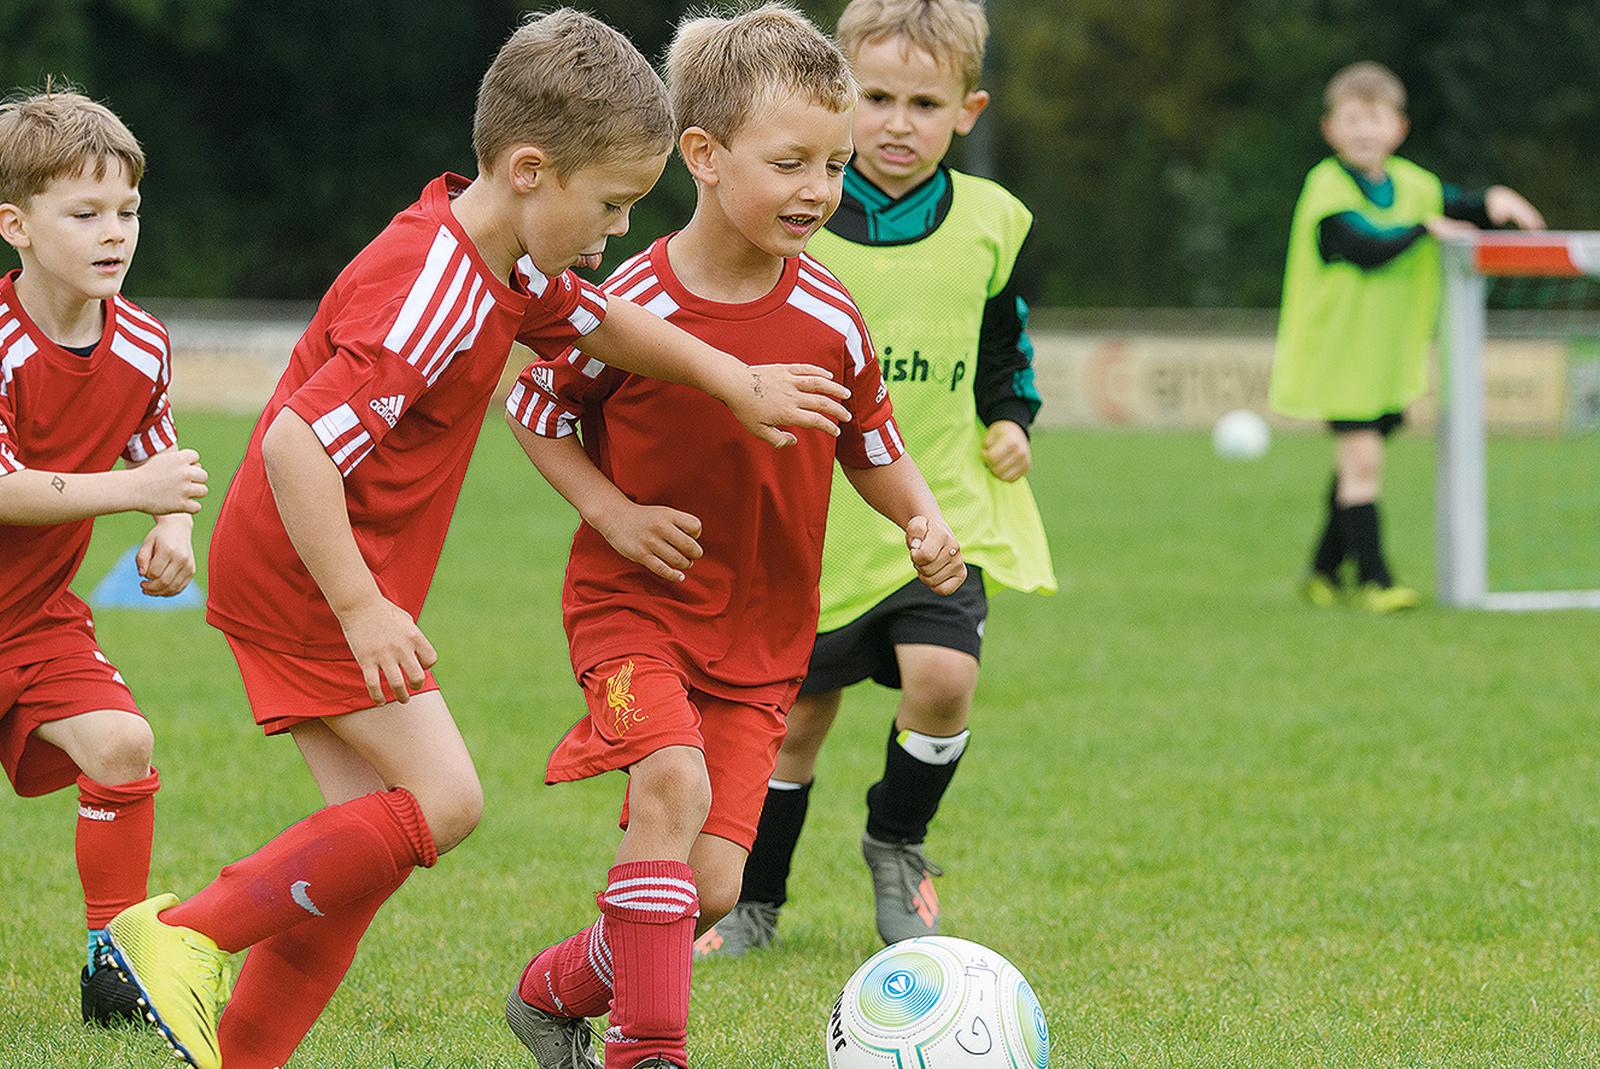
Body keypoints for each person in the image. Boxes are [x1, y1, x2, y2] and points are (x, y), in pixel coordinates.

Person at [99, 11, 851, 1069]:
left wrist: (735, 381)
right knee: (445, 801)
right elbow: (296, 448)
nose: (619, 230)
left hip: (308, 571)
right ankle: (180, 934)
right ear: (532, 171)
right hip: (310, 578)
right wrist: (361, 605)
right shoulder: (437, 290)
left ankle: (242, 1054)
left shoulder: (499, 255)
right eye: (611, 203)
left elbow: (600, 321)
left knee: (361, 856)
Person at [500, 7, 965, 1067]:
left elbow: (871, 443)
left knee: (710, 886)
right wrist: (612, 513)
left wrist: (923, 517)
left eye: (835, 165)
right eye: (789, 163)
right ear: (703, 156)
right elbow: (533, 408)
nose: (819, 189)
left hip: (762, 639)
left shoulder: (833, 315)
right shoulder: (628, 303)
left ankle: (551, 992)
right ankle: (649, 1050)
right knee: (671, 781)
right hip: (632, 609)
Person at [701, 0, 1055, 958]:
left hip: (935, 512)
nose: (899, 124)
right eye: (878, 98)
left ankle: (897, 844)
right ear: (839, 98)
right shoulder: (794, 215)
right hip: (810, 526)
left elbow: (1004, 348)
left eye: (926, 104)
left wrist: (1011, 419)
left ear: (968, 111)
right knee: (794, 725)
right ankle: (753, 902)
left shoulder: (993, 222)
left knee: (945, 677)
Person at [0, 86, 209, 1027]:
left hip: (34, 618)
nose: (114, 231)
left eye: (127, 209)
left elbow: (158, 459)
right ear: (16, 226)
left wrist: (175, 530)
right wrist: (136, 495)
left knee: (123, 745)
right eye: (84, 213)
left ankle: (111, 966)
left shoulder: (144, 342)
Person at [1269, 60, 1544, 612]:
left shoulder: (1414, 184)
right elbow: (1362, 246)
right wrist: (1423, 229)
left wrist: (1495, 199)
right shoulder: (1327, 186)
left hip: (1388, 357)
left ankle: (1323, 572)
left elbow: (1460, 204)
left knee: (1356, 465)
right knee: (1364, 464)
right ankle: (1377, 580)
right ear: (1329, 129)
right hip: (1340, 354)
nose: (1363, 130)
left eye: (1375, 118)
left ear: (1399, 127)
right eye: (1351, 119)